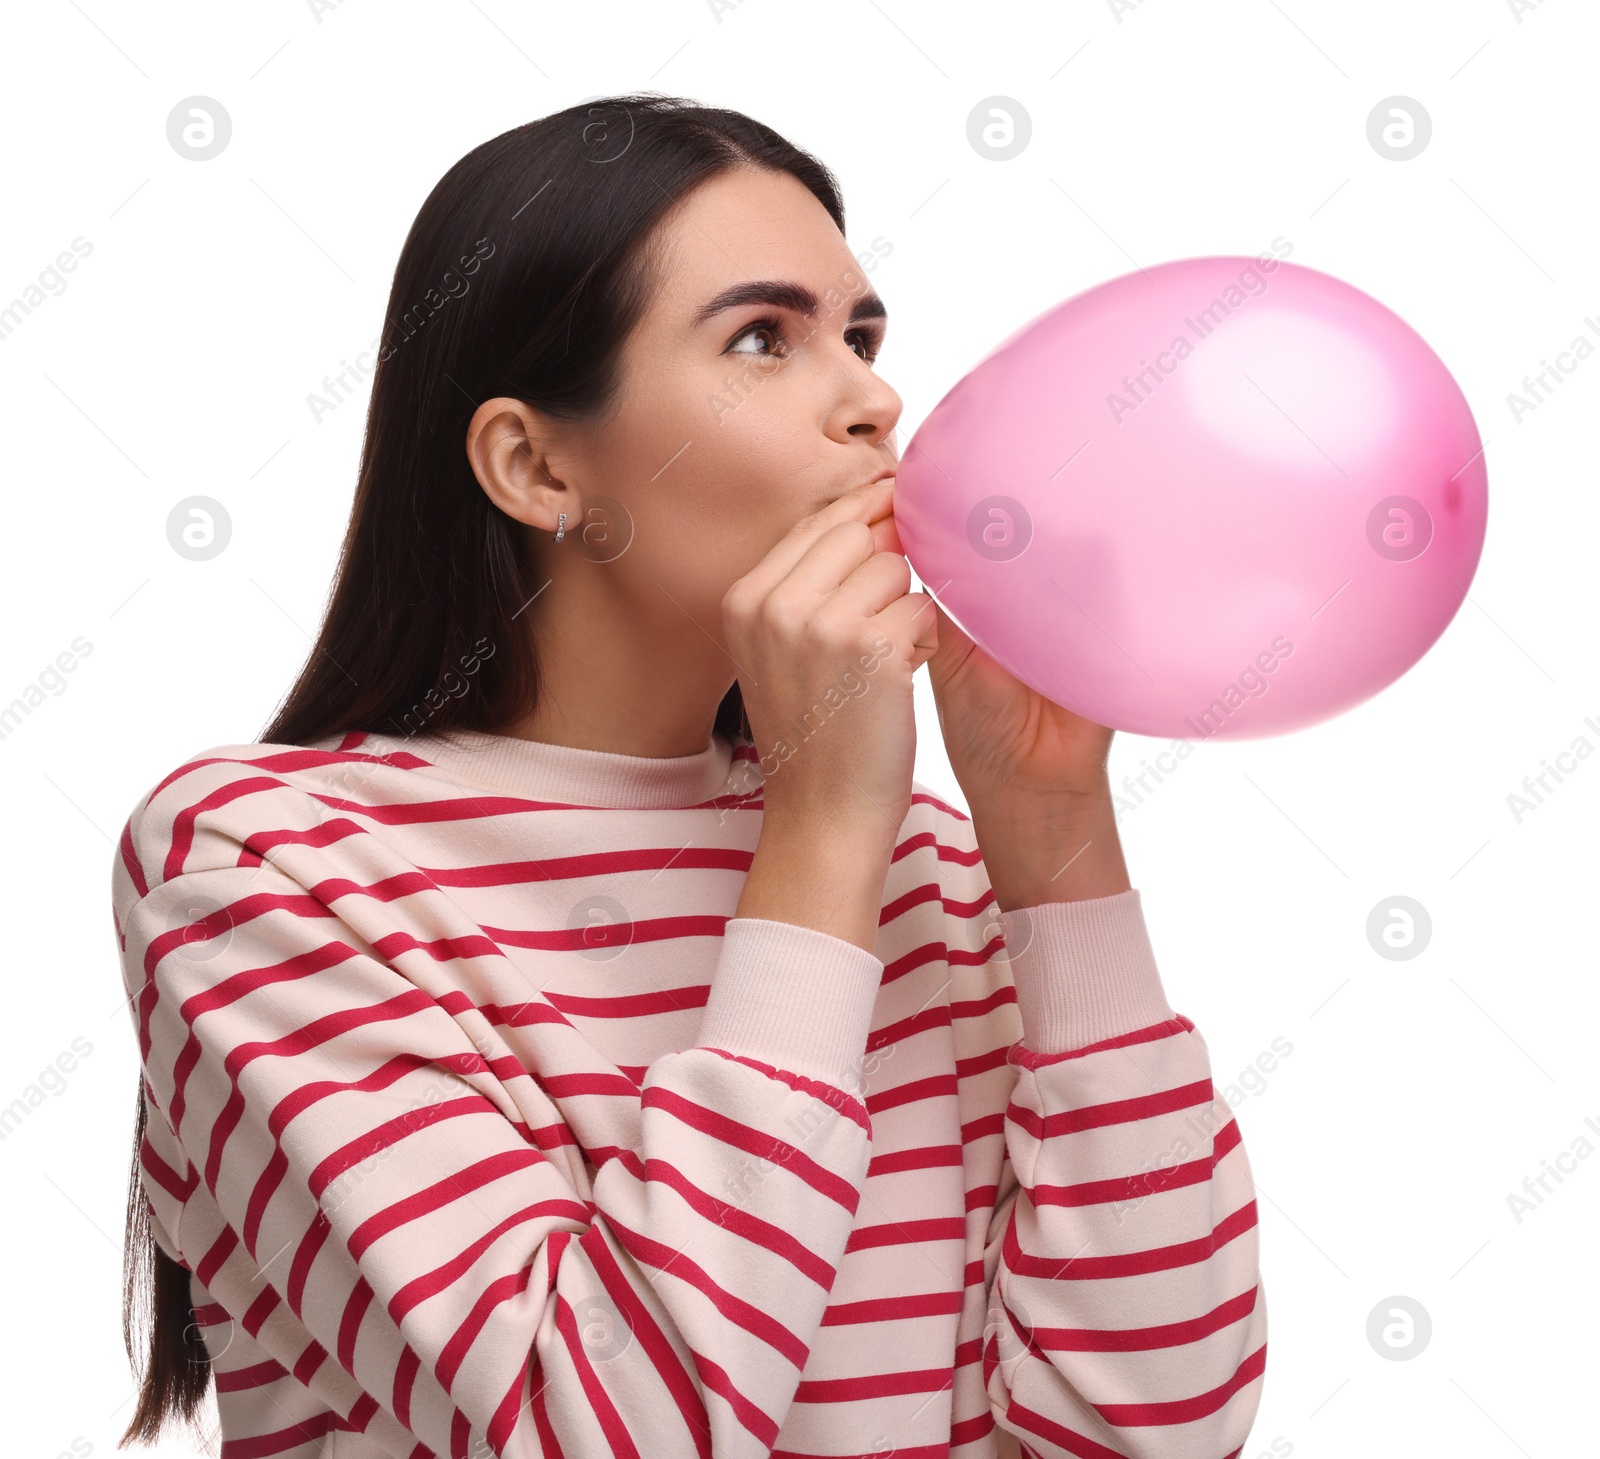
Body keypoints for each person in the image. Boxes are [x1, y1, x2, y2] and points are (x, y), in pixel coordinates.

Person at [112, 94, 1266, 1458]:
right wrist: (822, 830)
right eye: (763, 340)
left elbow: (1159, 1432)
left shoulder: (936, 872)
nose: (876, 401)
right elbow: (591, 1431)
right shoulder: (264, 864)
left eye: (863, 335)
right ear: (535, 465)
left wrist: (1056, 831)